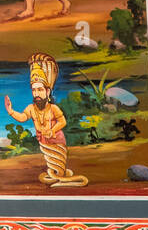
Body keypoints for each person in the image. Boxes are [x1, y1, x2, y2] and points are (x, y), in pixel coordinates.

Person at [5, 54, 88, 188]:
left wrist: (52, 130)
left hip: (57, 141)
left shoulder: (53, 108)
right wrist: (11, 111)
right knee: (52, 166)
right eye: (34, 90)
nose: (36, 94)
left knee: (58, 167)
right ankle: (59, 178)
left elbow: (63, 122)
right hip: (44, 143)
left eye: (40, 89)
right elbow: (22, 118)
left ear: (48, 91)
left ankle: (60, 178)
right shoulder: (31, 108)